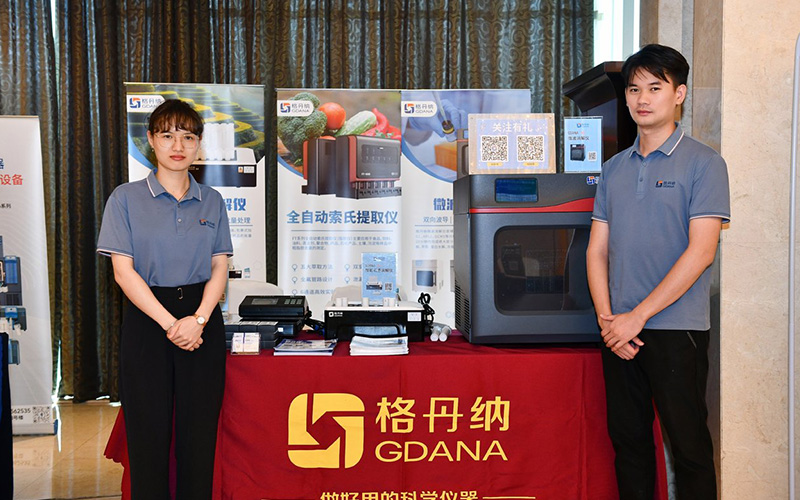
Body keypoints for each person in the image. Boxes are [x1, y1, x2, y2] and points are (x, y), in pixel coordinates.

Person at [586, 44, 730, 500]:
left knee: (689, 450)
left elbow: (701, 252)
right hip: (619, 333)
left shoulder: (705, 163)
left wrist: (637, 316)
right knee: (629, 446)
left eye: (654, 87)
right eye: (634, 89)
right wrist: (609, 321)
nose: (642, 99)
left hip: (676, 329)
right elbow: (596, 251)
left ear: (679, 94)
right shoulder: (613, 169)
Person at [97, 99, 232, 499]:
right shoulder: (125, 198)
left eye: (188, 137)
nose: (178, 145)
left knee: (199, 435)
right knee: (147, 435)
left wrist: (199, 319)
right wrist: (172, 324)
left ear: (198, 145)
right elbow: (123, 272)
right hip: (148, 321)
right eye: (168, 135)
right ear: (151, 140)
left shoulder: (212, 200)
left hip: (202, 324)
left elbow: (220, 267)